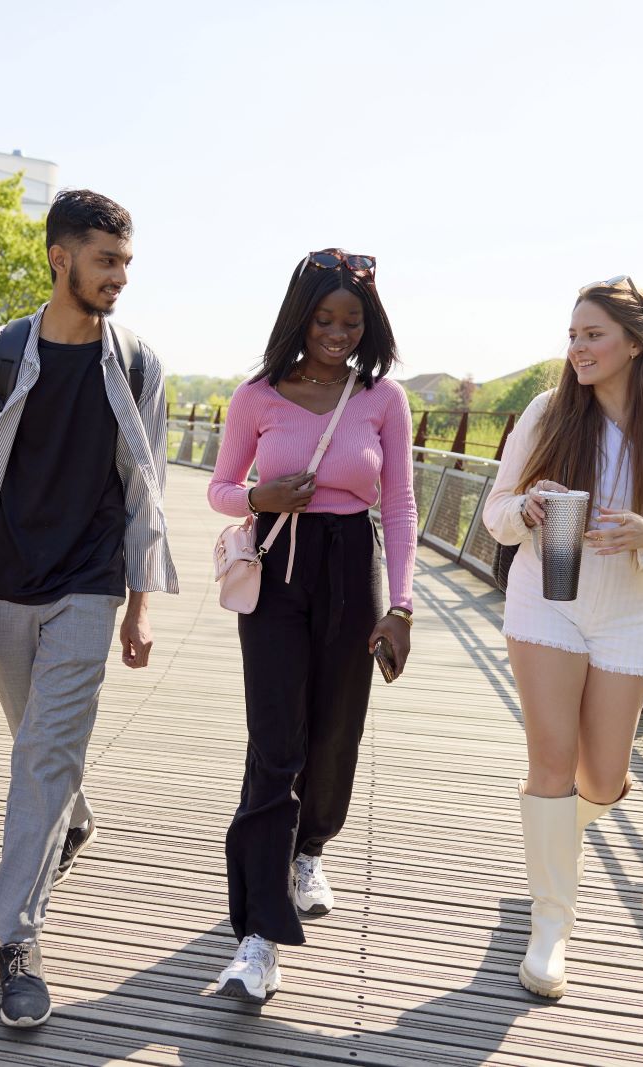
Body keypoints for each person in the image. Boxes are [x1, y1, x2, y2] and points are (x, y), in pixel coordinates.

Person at [0, 189, 177, 1028]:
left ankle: (16, 943)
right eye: (106, 261)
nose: (119, 278)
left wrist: (140, 603)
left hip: (88, 583)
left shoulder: (138, 364)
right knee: (34, 740)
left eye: (126, 263)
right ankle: (70, 821)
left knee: (41, 752)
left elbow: (148, 489)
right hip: (3, 583)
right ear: (59, 258)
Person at [482, 276, 643, 999]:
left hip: (631, 611)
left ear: (635, 340)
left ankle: (552, 833)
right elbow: (496, 509)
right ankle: (550, 923)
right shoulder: (547, 412)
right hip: (546, 600)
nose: (578, 348)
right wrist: (525, 508)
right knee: (552, 762)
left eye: (592, 334)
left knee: (601, 779)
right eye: (572, 335)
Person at [206, 249, 418, 1002]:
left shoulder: (383, 399)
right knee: (276, 744)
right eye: (324, 318)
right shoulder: (257, 395)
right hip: (278, 569)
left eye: (350, 321)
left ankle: (309, 849)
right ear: (301, 318)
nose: (336, 332)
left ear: (368, 325)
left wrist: (401, 605)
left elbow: (398, 505)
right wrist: (261, 497)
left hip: (351, 568)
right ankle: (258, 936)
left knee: (334, 733)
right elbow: (220, 490)